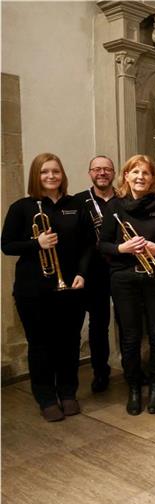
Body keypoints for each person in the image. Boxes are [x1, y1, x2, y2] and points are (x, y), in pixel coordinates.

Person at [1, 153, 89, 421]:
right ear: (35, 176)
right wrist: (35, 243)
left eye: (56, 172)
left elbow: (88, 244)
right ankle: (46, 397)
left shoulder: (76, 205)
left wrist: (83, 274)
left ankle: (68, 392)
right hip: (33, 290)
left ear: (62, 175)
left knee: (69, 343)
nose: (51, 176)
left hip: (70, 287)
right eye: (44, 172)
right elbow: (6, 245)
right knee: (40, 344)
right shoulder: (22, 207)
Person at [99, 155, 155, 416]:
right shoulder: (114, 205)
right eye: (135, 172)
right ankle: (134, 386)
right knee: (130, 336)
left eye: (145, 173)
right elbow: (103, 244)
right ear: (126, 176)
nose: (140, 177)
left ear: (152, 178)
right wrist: (122, 247)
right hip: (124, 279)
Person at [74, 155, 117, 393]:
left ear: (114, 173)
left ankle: (133, 368)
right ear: (90, 172)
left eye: (107, 169)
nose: (102, 173)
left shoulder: (123, 198)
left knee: (128, 321)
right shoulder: (79, 201)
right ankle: (101, 371)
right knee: (98, 324)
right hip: (93, 271)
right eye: (97, 169)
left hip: (121, 267)